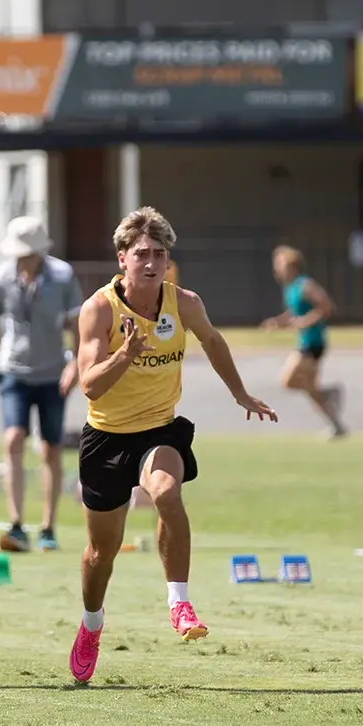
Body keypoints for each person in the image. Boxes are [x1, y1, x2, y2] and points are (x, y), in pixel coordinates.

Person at [67, 207, 277, 684]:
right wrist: (126, 353)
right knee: (102, 552)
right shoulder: (99, 309)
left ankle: (179, 602)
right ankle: (92, 625)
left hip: (160, 430)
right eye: (141, 253)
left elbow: (214, 342)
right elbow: (90, 385)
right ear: (122, 259)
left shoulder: (183, 303)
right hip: (105, 438)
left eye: (159, 254)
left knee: (166, 491)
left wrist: (240, 393)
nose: (151, 262)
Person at [0, 215, 82, 553]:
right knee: (13, 439)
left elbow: (77, 325)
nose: (23, 259)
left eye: (28, 253)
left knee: (51, 448)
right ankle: (17, 523)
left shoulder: (62, 277)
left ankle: (48, 527)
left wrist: (76, 365)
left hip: (53, 372)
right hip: (13, 371)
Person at [259, 245, 347, 438]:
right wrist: (278, 321)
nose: (277, 269)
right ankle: (336, 425)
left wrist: (305, 322)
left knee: (288, 381)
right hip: (305, 342)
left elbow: (326, 306)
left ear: (291, 266)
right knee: (309, 387)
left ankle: (328, 393)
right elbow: (294, 312)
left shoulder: (305, 285)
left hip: (313, 343)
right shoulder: (290, 288)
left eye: (280, 264)